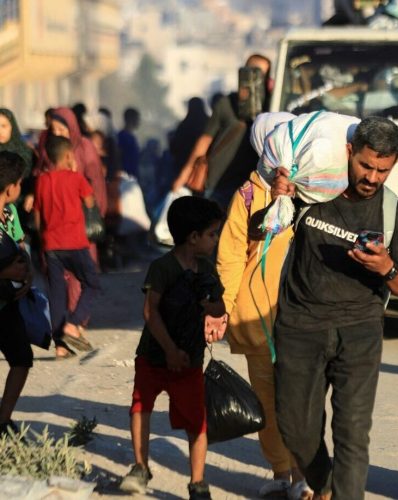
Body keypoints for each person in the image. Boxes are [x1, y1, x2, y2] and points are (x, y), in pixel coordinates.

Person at [271, 116, 398, 500]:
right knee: (294, 427)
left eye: (382, 170)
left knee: (353, 432)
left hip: (360, 329)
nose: (372, 177)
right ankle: (323, 484)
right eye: (365, 166)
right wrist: (278, 191)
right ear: (349, 152)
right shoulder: (312, 190)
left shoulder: (393, 212)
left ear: (394, 165)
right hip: (300, 325)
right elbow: (266, 226)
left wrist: (385, 267)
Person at [215, 114, 312, 500]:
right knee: (267, 400)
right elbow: (231, 254)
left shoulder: (313, 189)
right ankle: (280, 471)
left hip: (305, 312)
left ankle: (305, 475)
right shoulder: (248, 193)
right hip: (257, 315)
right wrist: (222, 307)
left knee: (302, 397)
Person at [119, 196, 226, 499]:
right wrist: (168, 349)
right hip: (154, 356)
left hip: (190, 360)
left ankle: (197, 481)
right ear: (193, 237)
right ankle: (141, 467)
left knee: (196, 420)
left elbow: (218, 309)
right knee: (141, 407)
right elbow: (150, 312)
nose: (215, 240)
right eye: (211, 234)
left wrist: (210, 301)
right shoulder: (162, 267)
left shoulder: (206, 270)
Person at [172, 54, 272, 207]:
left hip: (249, 187)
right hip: (217, 183)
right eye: (252, 73)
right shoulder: (226, 104)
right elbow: (204, 141)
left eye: (260, 75)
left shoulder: (271, 108)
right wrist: (184, 175)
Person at [33, 136, 99, 359]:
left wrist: (42, 240)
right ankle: (73, 323)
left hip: (51, 245)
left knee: (57, 294)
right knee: (91, 282)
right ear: (69, 155)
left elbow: (38, 214)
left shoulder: (42, 181)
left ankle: (61, 346)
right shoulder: (76, 178)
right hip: (75, 243)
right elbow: (90, 202)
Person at [0, 151, 34, 437]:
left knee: (22, 358)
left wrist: (28, 271)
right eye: (20, 183)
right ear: (11, 187)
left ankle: (3, 420)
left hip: (8, 303)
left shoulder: (10, 213)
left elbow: (21, 243)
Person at [118, 108, 141, 179]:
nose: (139, 122)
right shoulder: (123, 137)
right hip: (125, 176)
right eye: (137, 119)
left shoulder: (130, 137)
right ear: (131, 119)